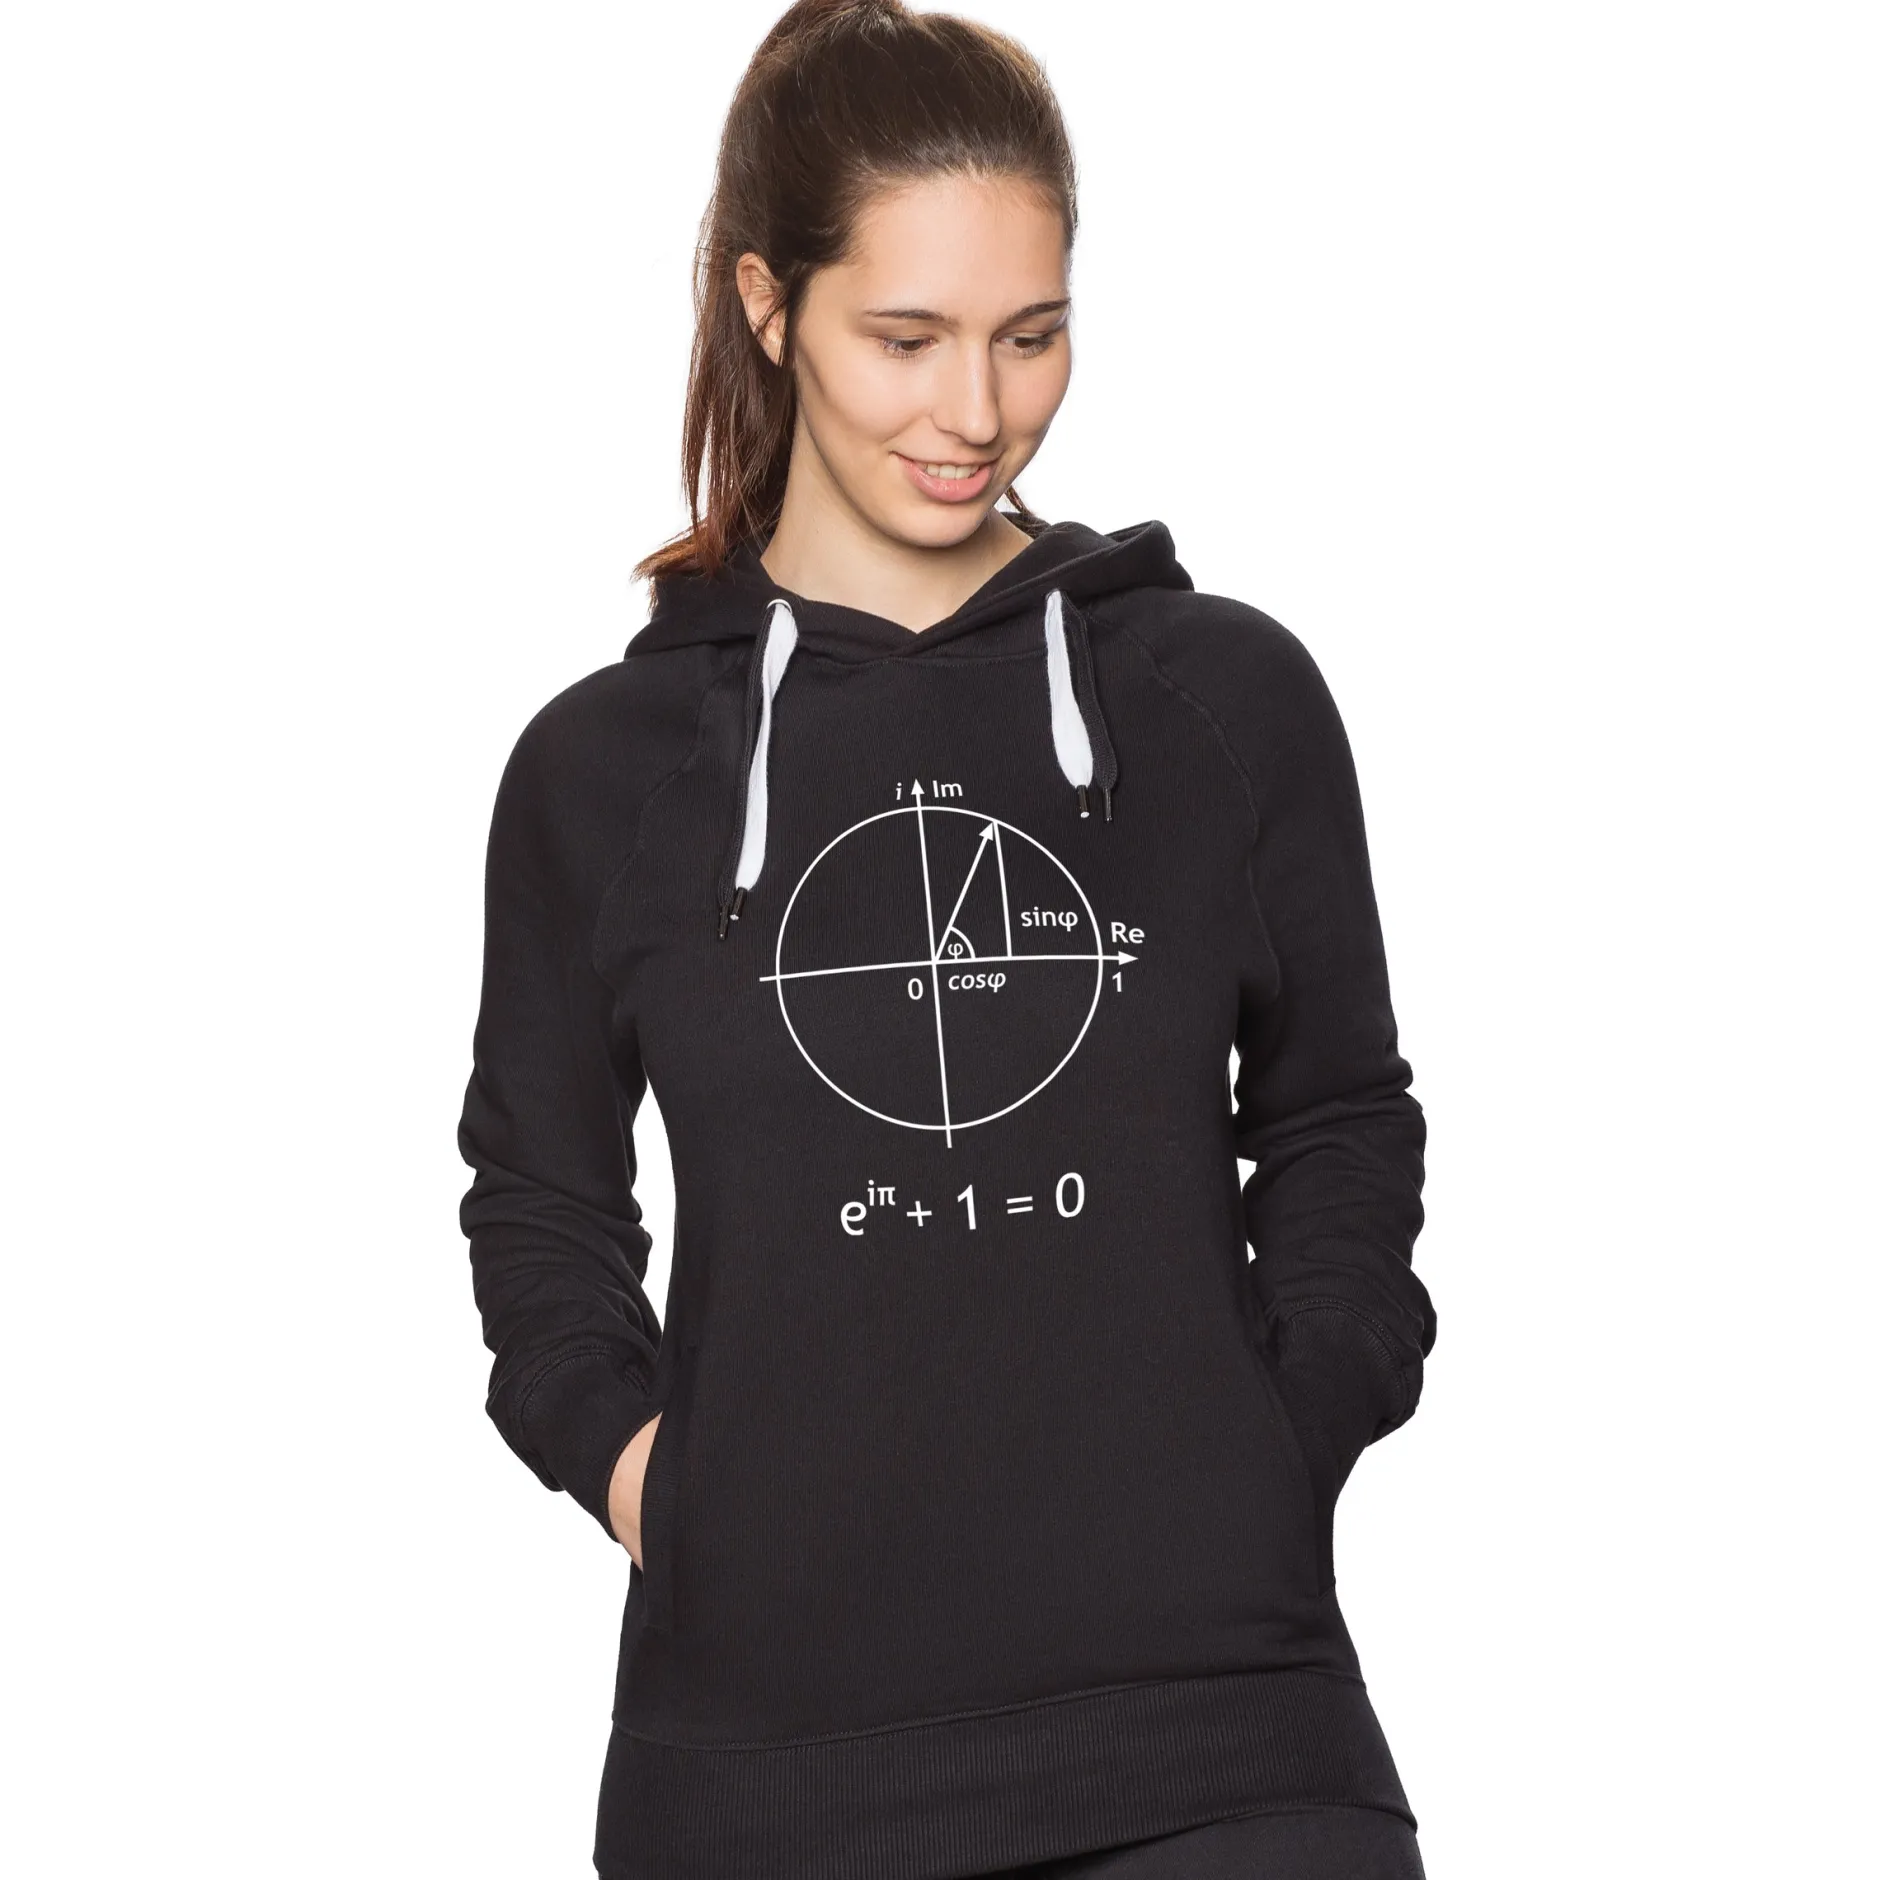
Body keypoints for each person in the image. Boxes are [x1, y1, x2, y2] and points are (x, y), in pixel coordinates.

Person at [455, 3, 1437, 1874]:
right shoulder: (611, 771)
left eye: (1031, 334)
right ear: (769, 306)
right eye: (905, 339)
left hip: (1224, 1736)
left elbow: (1336, 1118)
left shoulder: (1220, 700)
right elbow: (540, 1201)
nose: (977, 413)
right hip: (764, 1771)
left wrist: (1292, 1423)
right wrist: (648, 1475)